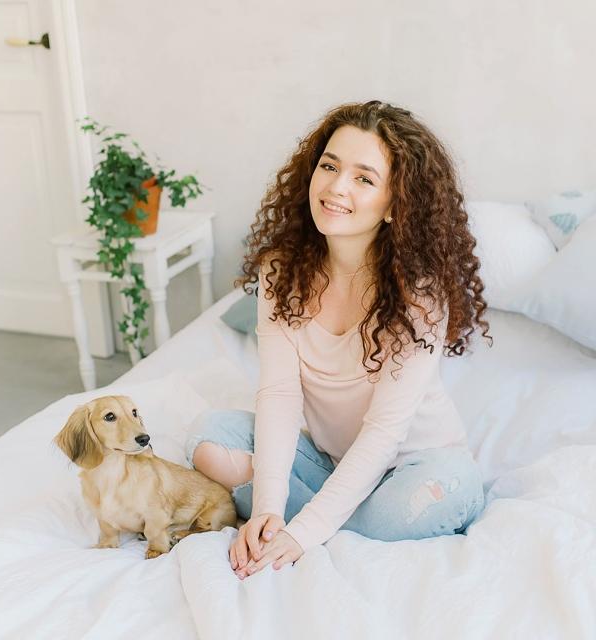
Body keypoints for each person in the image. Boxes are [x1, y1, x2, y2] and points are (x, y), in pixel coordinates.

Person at [184, 100, 493, 581]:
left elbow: (384, 432)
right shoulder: (281, 271)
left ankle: (320, 520)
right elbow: (280, 395)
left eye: (364, 178)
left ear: (395, 204)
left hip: (422, 467)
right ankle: (327, 515)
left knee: (417, 504)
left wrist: (299, 535)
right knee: (208, 438)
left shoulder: (419, 294)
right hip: (333, 463)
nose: (336, 187)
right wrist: (267, 508)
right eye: (329, 166)